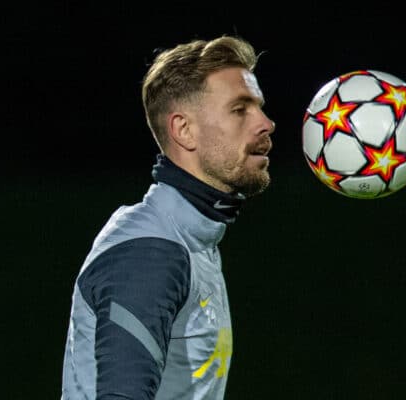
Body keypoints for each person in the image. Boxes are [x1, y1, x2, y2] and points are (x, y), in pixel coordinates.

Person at [61, 34, 275, 399]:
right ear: (183, 130)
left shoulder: (193, 238)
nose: (266, 123)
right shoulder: (150, 252)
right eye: (240, 109)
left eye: (259, 107)